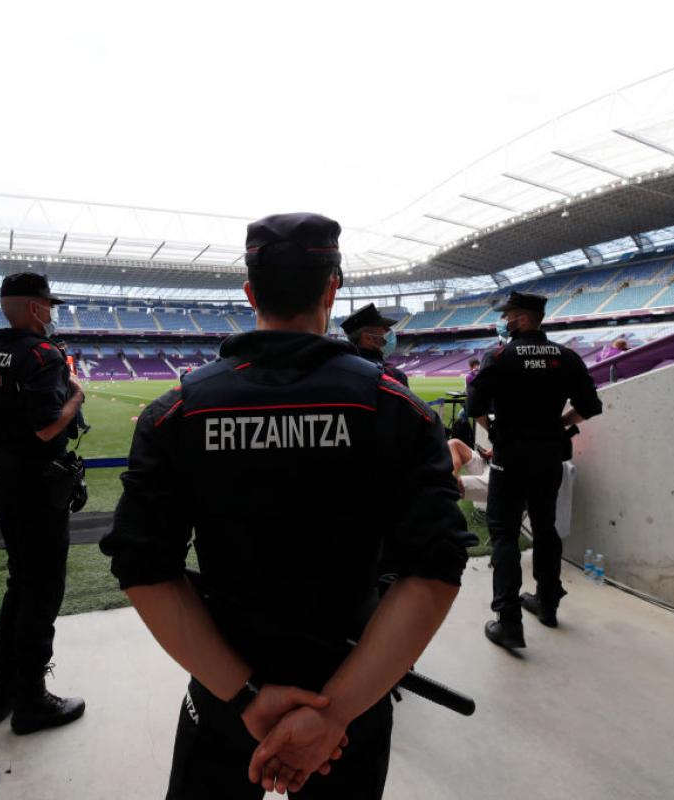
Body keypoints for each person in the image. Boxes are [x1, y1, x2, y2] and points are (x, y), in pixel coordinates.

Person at [101, 212, 468, 799]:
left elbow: (144, 570)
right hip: (351, 695)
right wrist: (334, 713)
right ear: (331, 289)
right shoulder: (395, 409)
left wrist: (247, 696)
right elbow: (435, 569)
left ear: (250, 294)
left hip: (224, 691)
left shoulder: (179, 412)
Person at [0, 272, 87, 735]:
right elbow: (47, 427)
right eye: (48, 305)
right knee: (42, 592)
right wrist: (76, 397)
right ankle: (32, 701)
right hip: (39, 489)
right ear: (35, 307)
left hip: (5, 485)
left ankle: (3, 694)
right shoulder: (42, 354)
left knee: (19, 585)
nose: (51, 314)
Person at [467, 291, 602, 648]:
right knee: (545, 528)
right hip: (548, 456)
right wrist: (560, 424)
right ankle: (548, 603)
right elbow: (590, 405)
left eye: (509, 315)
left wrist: (492, 430)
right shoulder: (566, 357)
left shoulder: (499, 356)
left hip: (510, 457)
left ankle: (509, 621)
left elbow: (474, 406)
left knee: (504, 533)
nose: (505, 321)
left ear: (523, 318)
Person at [340, 303, 409, 386]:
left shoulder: (340, 370)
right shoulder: (393, 375)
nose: (389, 332)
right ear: (367, 338)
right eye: (384, 329)